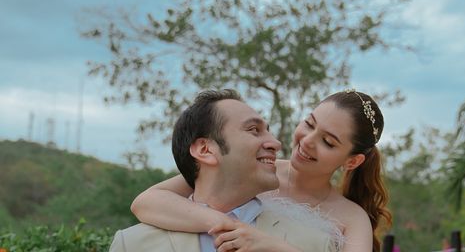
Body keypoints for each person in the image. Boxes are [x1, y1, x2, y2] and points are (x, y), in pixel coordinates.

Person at [131, 89, 392, 252]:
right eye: (309, 124)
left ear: (352, 161)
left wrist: (273, 247)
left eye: (328, 142)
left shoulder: (352, 218)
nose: (307, 140)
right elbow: (146, 203)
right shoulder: (254, 171)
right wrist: (220, 222)